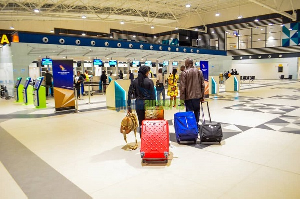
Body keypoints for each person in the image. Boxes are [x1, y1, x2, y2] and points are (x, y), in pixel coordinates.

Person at [127, 66, 155, 137]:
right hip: (148, 104)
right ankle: (149, 138)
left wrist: (129, 105)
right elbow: (153, 96)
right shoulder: (149, 81)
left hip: (138, 103)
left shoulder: (134, 81)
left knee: (141, 122)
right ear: (146, 72)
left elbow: (129, 94)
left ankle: (142, 138)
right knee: (149, 122)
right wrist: (154, 106)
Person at [180, 59, 205, 123]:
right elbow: (202, 85)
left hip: (188, 98)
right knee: (197, 112)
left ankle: (191, 128)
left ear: (187, 64)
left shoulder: (184, 73)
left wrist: (182, 99)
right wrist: (202, 97)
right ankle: (196, 126)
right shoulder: (199, 72)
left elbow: (182, 87)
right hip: (197, 97)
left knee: (189, 114)